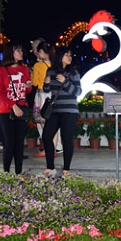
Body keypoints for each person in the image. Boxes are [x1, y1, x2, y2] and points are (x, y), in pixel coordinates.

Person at [40, 47, 81, 177]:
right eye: (66, 55)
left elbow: (78, 92)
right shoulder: (51, 71)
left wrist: (66, 81)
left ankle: (66, 169)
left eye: (70, 55)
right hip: (55, 109)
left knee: (66, 138)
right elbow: (47, 90)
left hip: (70, 110)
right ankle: (50, 166)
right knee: (46, 136)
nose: (69, 57)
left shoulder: (73, 72)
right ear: (59, 56)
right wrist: (46, 83)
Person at [0, 43, 33, 174]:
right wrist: (13, 105)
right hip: (7, 110)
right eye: (18, 50)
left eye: (21, 50)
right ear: (10, 53)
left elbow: (27, 90)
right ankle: (5, 171)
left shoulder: (25, 69)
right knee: (9, 142)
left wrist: (28, 85)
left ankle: (18, 172)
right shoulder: (1, 71)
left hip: (21, 108)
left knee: (19, 142)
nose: (21, 53)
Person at [31, 39, 62, 157]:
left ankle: (47, 150)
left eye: (38, 51)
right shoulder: (56, 65)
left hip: (42, 96)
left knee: (44, 123)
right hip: (54, 96)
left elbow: (34, 82)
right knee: (53, 123)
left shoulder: (38, 65)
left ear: (43, 53)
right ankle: (54, 149)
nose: (37, 54)